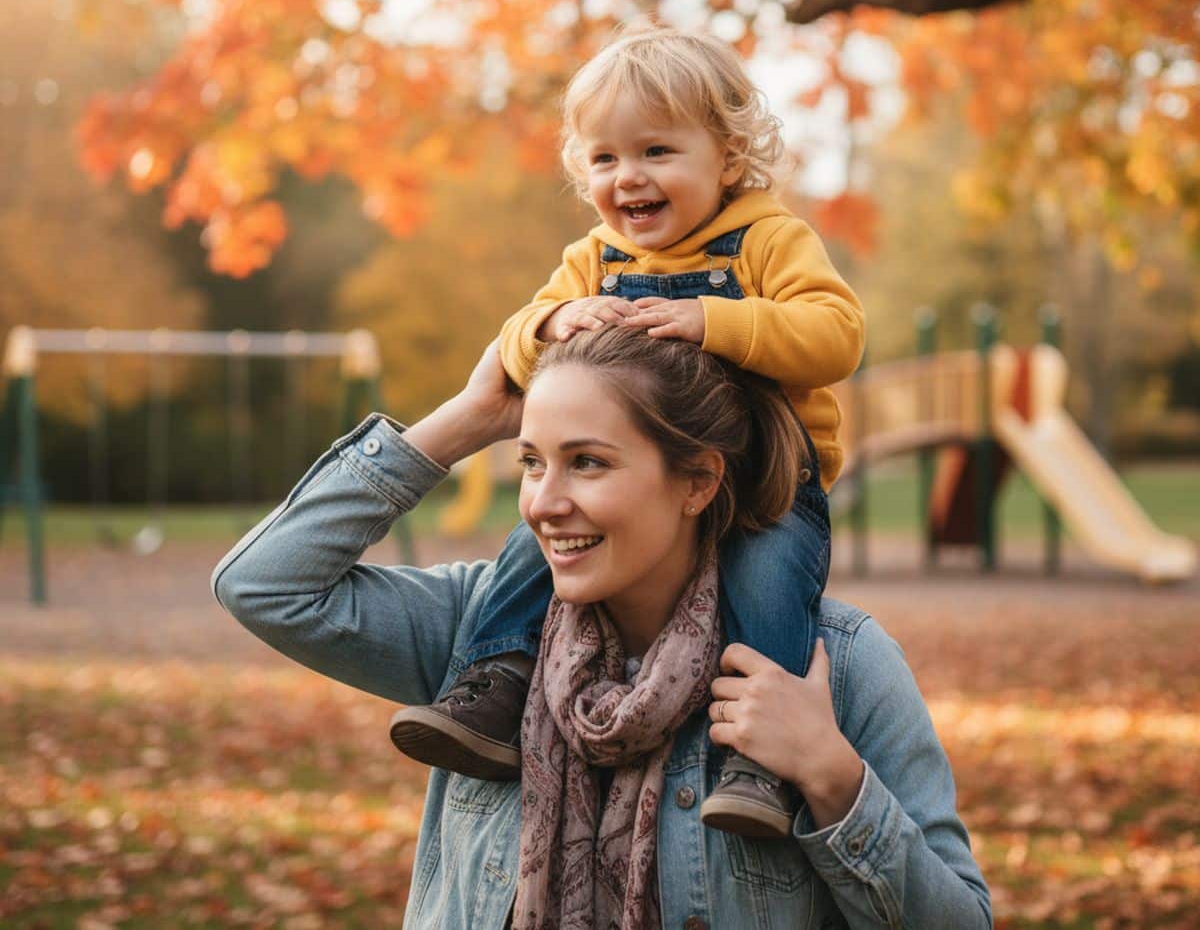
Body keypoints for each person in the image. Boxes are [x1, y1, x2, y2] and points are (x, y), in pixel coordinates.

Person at [212, 328, 991, 929]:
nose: (543, 503)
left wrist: (831, 777)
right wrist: (466, 420)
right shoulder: (485, 644)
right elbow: (265, 584)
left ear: (696, 481)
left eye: (586, 462)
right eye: (530, 462)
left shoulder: (835, 669)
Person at [389, 19, 866, 838]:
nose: (628, 178)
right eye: (605, 158)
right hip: (632, 483)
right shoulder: (594, 257)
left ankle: (757, 764)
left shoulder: (766, 239)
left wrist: (716, 321)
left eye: (656, 152)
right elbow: (514, 337)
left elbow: (836, 334)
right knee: (528, 548)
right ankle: (494, 683)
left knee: (769, 585)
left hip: (767, 483)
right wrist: (555, 321)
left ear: (727, 155)